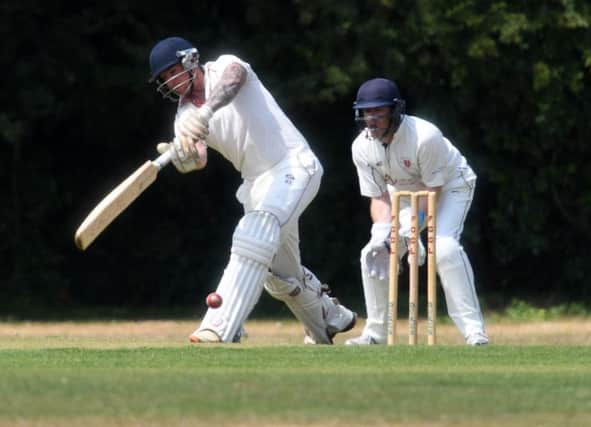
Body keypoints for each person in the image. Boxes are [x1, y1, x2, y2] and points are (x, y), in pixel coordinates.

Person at [147, 36, 357, 344]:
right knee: (278, 272)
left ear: (190, 60)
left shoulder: (223, 67)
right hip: (256, 184)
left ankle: (220, 327)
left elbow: (236, 80)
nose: (171, 81)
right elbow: (200, 157)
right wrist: (186, 158)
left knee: (253, 233)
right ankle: (328, 319)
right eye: (164, 79)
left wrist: (206, 112)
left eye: (172, 71)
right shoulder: (183, 118)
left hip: (292, 164)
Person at [346, 78, 488, 346]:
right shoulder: (361, 147)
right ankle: (376, 332)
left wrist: (412, 231)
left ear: (395, 111)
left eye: (379, 111)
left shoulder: (425, 137)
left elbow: (431, 191)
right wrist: (383, 235)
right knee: (373, 253)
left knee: (443, 248)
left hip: (450, 187)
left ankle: (474, 331)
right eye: (367, 112)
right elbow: (379, 197)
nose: (371, 119)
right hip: (403, 193)